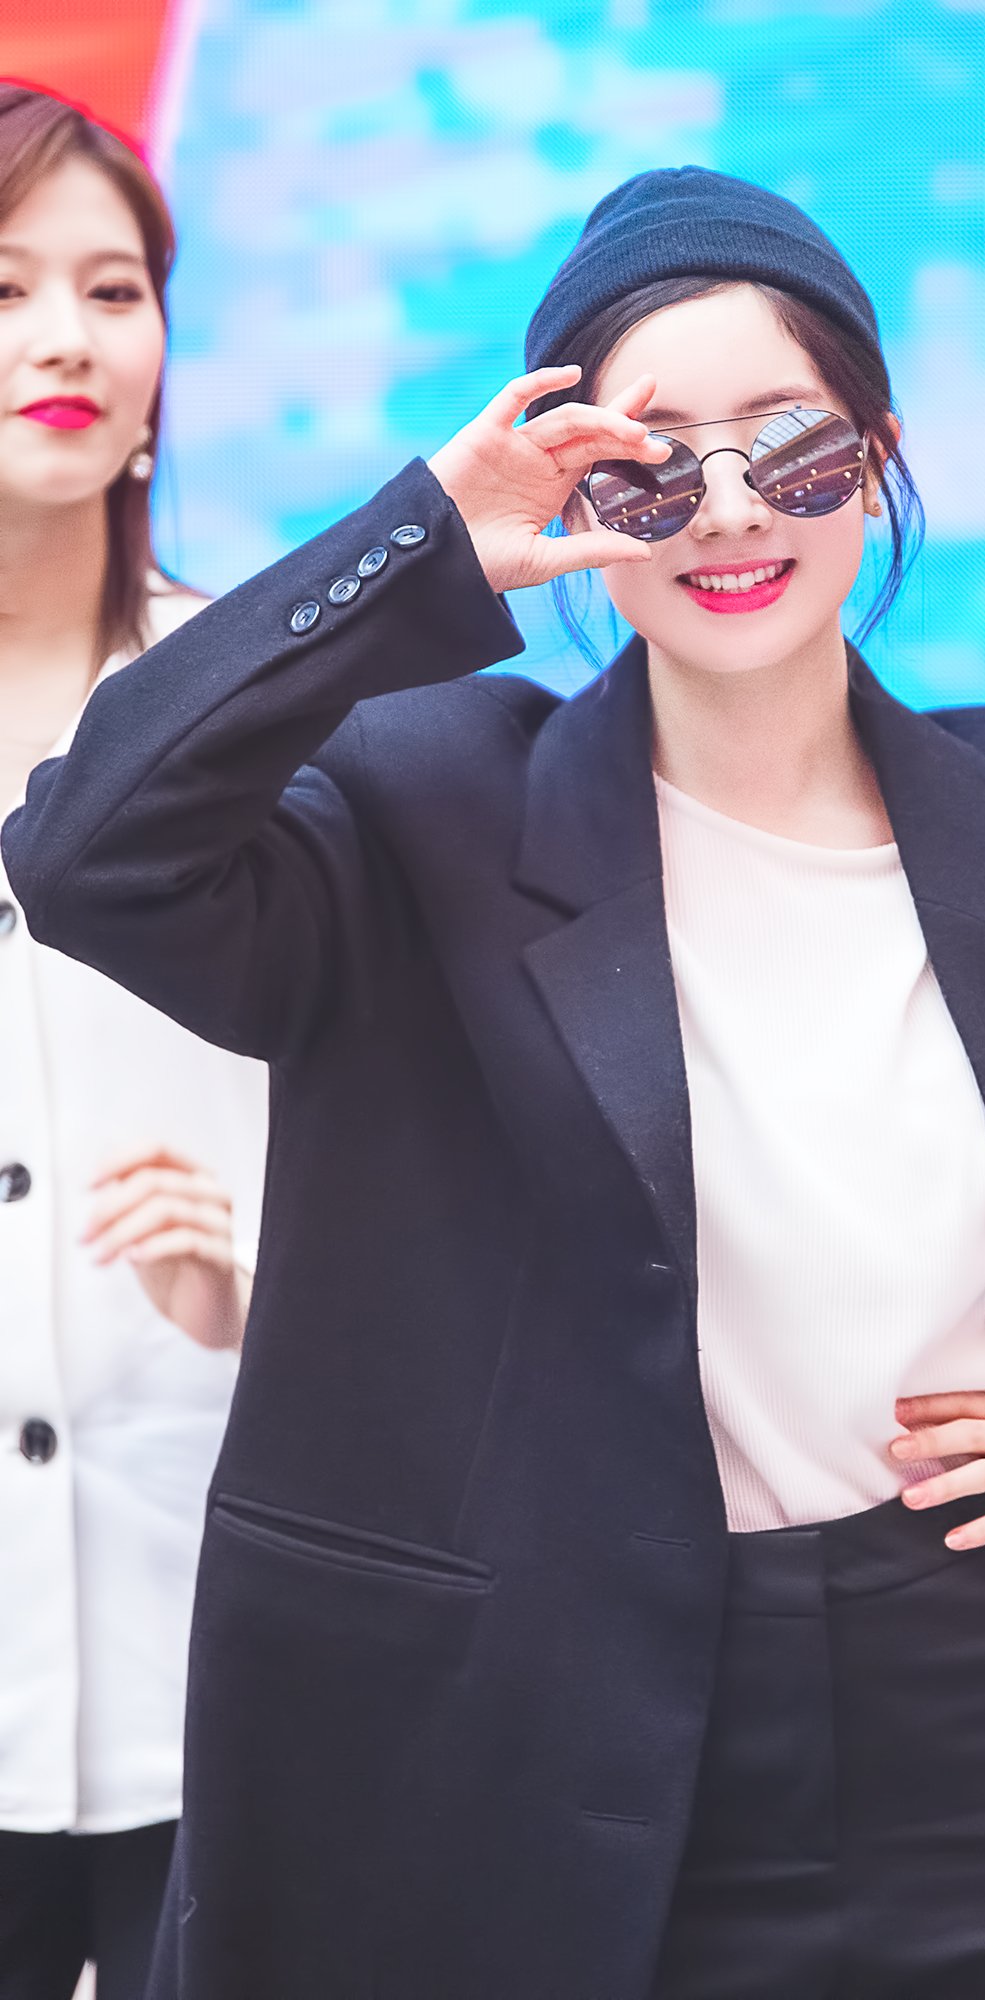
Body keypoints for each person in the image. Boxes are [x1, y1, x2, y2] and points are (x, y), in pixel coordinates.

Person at [5, 165, 985, 2000]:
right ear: (570, 492)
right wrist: (428, 541)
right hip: (544, 1740)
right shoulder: (425, 810)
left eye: (793, 444)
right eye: (650, 465)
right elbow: (91, 857)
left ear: (880, 454)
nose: (731, 507)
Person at [0, 84, 268, 2000]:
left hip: (217, 1654)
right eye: (3, 288)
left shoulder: (268, 706)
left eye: (113, 290)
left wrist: (267, 1266)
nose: (66, 338)